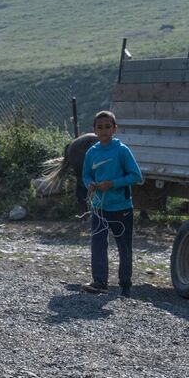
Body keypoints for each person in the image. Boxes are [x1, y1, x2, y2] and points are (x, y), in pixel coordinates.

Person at [81, 110, 142, 295]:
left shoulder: (122, 150)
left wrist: (113, 184)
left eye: (108, 127)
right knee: (98, 244)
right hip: (99, 208)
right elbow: (86, 174)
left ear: (115, 128)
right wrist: (90, 184)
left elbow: (136, 176)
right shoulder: (92, 152)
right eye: (100, 127)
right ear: (94, 130)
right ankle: (99, 282)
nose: (104, 130)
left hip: (121, 208)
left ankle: (125, 285)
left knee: (124, 246)